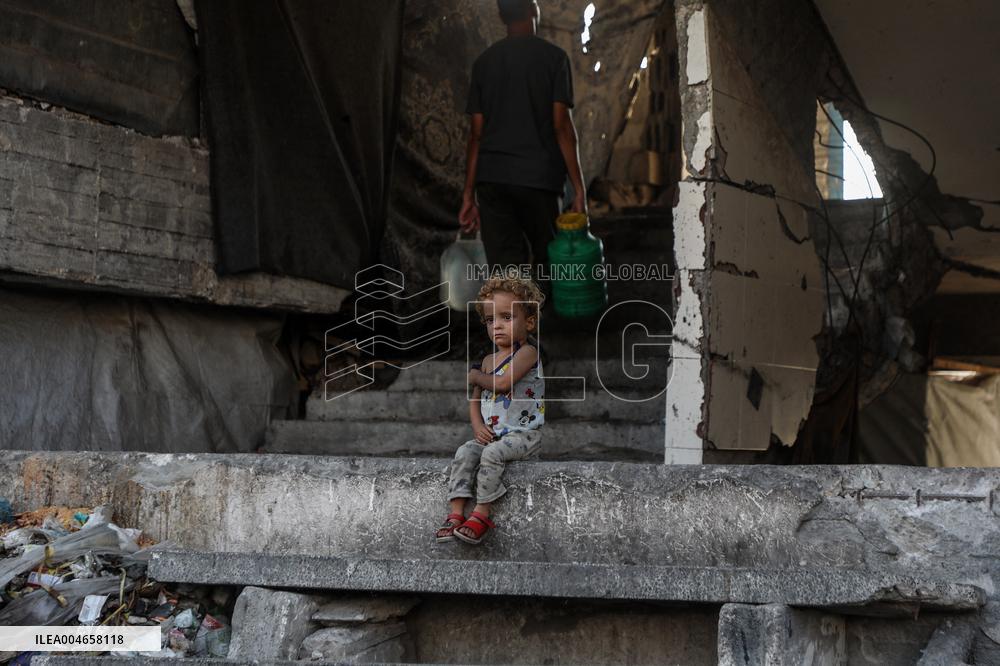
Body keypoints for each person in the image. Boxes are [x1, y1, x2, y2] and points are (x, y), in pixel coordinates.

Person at [458, 0, 587, 287]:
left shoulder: (484, 63)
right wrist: (578, 190)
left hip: (493, 180)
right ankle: (542, 327)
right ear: (533, 10)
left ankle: (513, 330)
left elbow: (476, 134)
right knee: (547, 264)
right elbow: (562, 127)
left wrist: (468, 194)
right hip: (538, 179)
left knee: (505, 273)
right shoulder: (554, 59)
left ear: (502, 16)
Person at [435, 276, 546, 545]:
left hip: (524, 436)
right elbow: (475, 400)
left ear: (529, 322)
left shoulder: (528, 353)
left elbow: (502, 382)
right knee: (465, 451)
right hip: (493, 435)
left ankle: (482, 513)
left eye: (507, 317)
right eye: (490, 320)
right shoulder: (486, 360)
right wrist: (477, 427)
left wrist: (475, 377)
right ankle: (456, 513)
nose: (496, 325)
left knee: (493, 454)